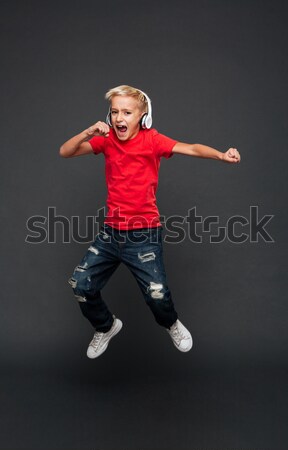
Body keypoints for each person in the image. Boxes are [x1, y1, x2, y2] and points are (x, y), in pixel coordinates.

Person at [60, 85, 240, 359]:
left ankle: (171, 324)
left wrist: (220, 155)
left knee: (157, 295)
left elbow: (190, 148)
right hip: (110, 234)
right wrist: (88, 132)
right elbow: (66, 151)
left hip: (144, 235)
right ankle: (105, 326)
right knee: (80, 284)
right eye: (115, 112)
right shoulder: (106, 141)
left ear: (143, 116)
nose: (120, 118)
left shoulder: (152, 140)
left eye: (127, 112)